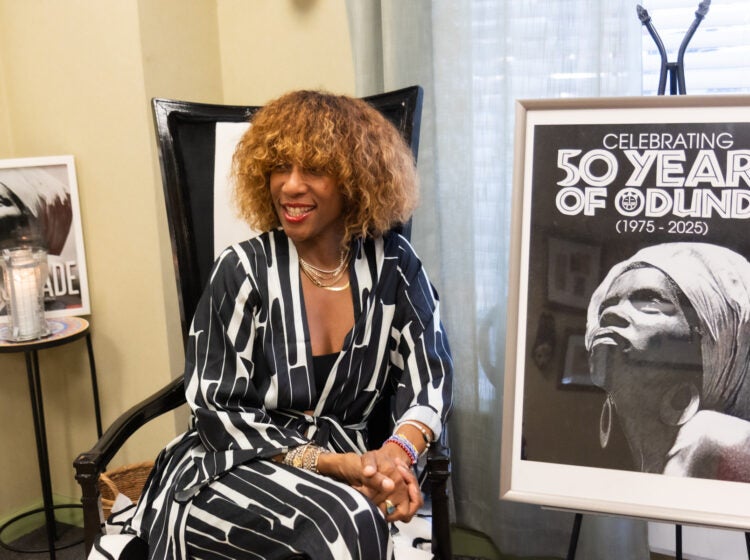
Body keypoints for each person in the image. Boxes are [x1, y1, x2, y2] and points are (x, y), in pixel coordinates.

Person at [105, 90, 453, 560]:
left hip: (350, 463)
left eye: (314, 170)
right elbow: (219, 412)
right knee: (347, 521)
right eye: (279, 168)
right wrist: (338, 465)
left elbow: (430, 375)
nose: (290, 186)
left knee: (351, 515)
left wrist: (395, 457)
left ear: (356, 180)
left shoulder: (395, 263)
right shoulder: (241, 270)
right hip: (233, 463)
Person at [585, 242, 750, 482]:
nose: (611, 314)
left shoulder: (716, 439)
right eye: (607, 306)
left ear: (712, 347)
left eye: (650, 304)